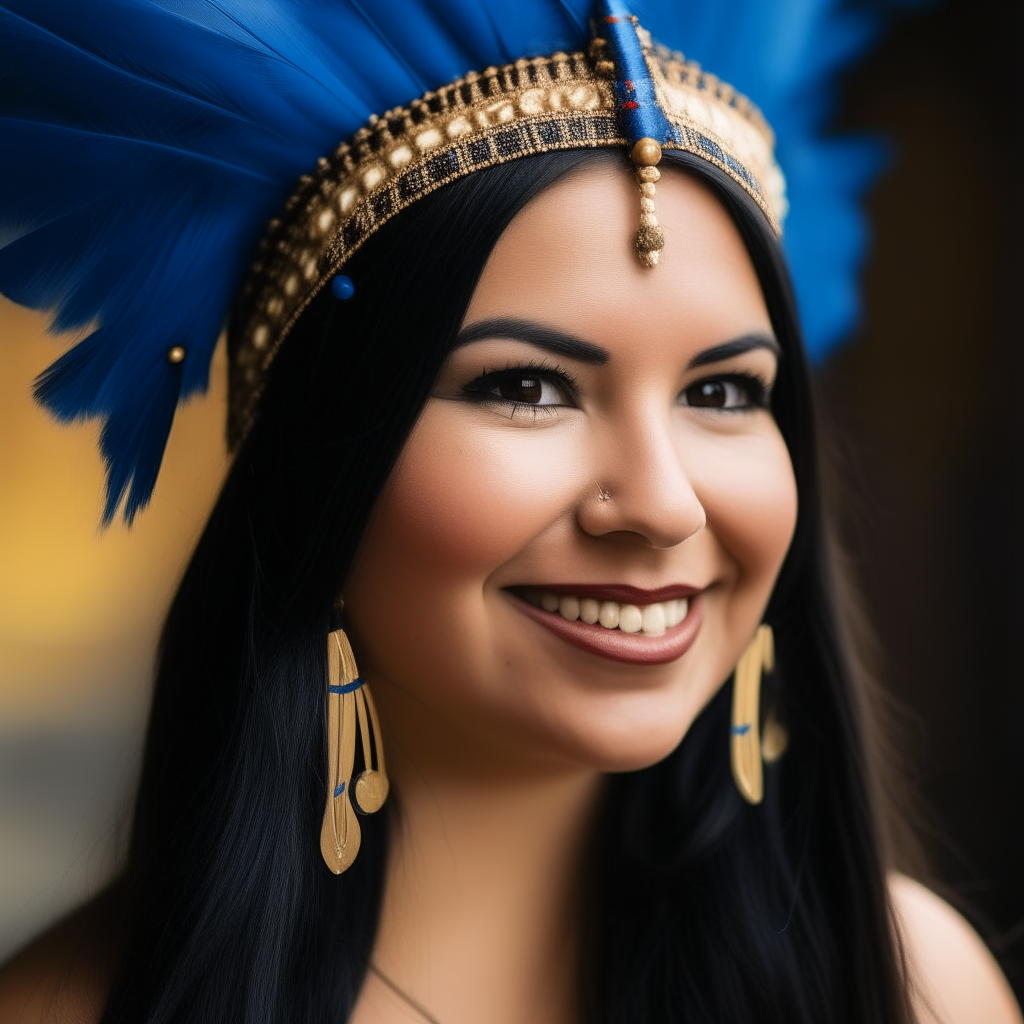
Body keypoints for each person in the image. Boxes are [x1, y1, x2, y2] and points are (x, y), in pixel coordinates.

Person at [0, 2, 1020, 1022]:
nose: (663, 505)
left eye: (721, 392)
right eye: (527, 388)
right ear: (320, 469)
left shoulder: (915, 991)